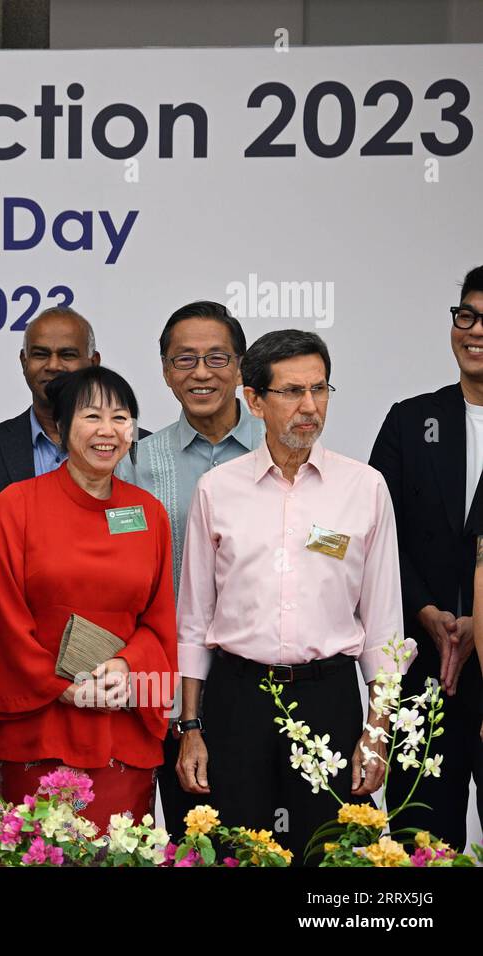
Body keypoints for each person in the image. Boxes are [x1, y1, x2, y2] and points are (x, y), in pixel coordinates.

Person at [177, 330, 409, 862]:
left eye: (320, 389)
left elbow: (384, 628)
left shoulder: (365, 488)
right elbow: (193, 619)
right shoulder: (218, 489)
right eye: (292, 392)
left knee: (326, 855)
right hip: (237, 698)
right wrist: (190, 727)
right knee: (235, 852)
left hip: (328, 697)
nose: (310, 407)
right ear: (254, 400)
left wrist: (377, 729)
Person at [0, 366, 176, 831]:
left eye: (121, 417)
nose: (108, 431)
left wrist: (128, 666)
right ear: (62, 427)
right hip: (38, 721)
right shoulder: (17, 504)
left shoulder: (148, 513)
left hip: (120, 718)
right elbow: (0, 616)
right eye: (92, 416)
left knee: (119, 857)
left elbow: (161, 618)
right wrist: (62, 686)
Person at [115, 301, 262, 831]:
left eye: (217, 357)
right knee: (186, 833)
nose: (201, 373)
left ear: (241, 366)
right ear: (164, 370)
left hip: (262, 677)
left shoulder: (280, 451)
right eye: (185, 360)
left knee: (263, 837)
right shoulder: (135, 462)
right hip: (168, 681)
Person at [370, 265, 483, 849]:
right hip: (422, 674)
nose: (476, 331)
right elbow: (378, 537)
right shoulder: (410, 420)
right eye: (467, 315)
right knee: (420, 847)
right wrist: (427, 613)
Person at [0, 307, 100, 721]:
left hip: (109, 665)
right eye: (40, 354)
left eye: (68, 354)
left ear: (93, 363)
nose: (53, 365)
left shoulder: (133, 448)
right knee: (10, 788)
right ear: (23, 362)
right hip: (9, 664)